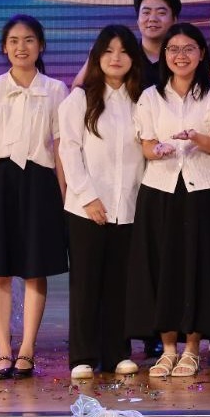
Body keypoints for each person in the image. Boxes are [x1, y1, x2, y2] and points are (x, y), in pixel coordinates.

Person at [0, 15, 70, 380]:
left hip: (39, 182)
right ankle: (4, 351)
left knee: (35, 268)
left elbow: (60, 146)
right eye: (13, 41)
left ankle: (27, 349)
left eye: (28, 40)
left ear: (41, 46)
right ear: (4, 48)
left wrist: (64, 192)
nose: (21, 47)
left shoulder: (56, 89)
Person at [129, 23, 210, 380]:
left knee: (196, 268)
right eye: (173, 49)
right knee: (162, 269)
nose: (180, 56)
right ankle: (168, 349)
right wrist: (157, 149)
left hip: (202, 190)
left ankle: (192, 349)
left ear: (201, 53)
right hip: (160, 190)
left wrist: (197, 138)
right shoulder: (150, 96)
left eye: (188, 49)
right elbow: (146, 144)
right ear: (164, 55)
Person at [58, 25, 146, 379]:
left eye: (123, 51)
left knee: (119, 283)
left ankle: (117, 353)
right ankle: (82, 355)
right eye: (108, 51)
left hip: (128, 207)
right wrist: (88, 197)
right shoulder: (79, 100)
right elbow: (69, 151)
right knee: (86, 283)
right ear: (96, 56)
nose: (116, 58)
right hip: (87, 208)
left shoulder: (142, 100)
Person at [74, 0, 181, 89]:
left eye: (161, 13)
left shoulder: (181, 58)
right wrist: (93, 57)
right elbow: (78, 92)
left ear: (174, 20)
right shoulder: (125, 55)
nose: (152, 18)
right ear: (137, 20)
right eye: (146, 12)